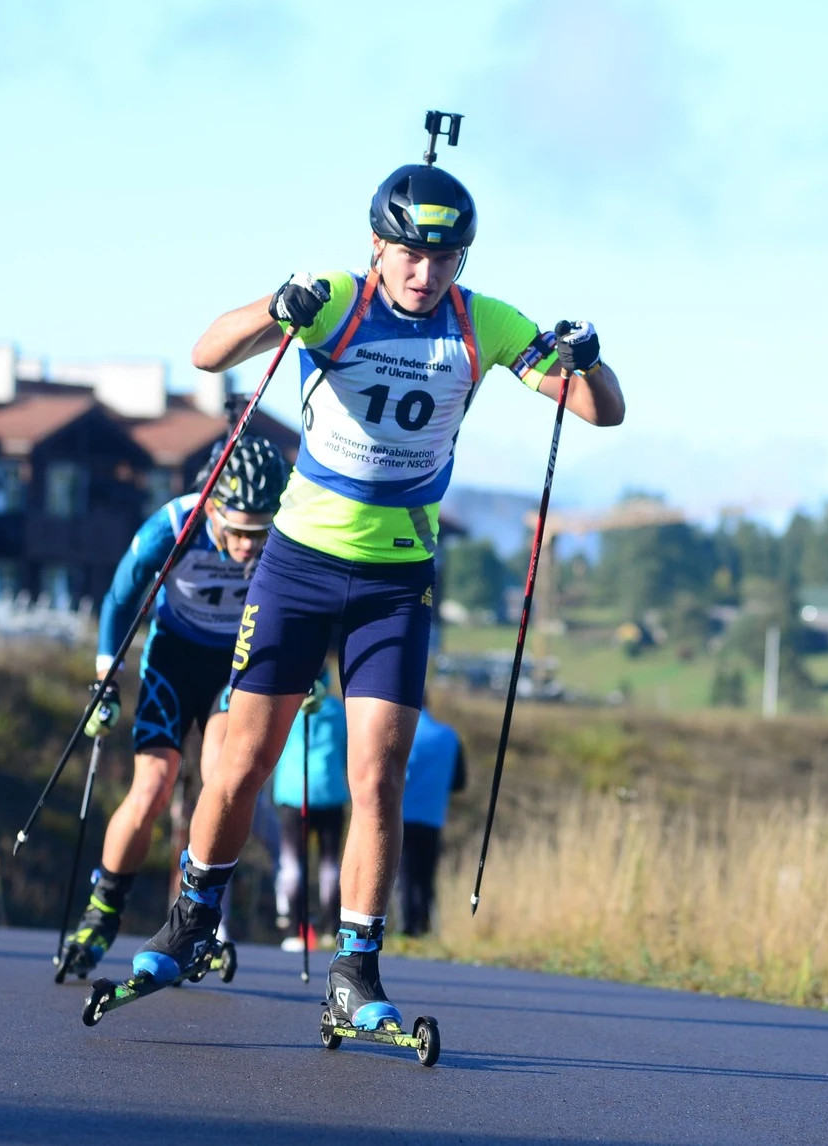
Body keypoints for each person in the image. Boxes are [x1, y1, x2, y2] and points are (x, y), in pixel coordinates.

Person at [131, 153, 624, 1040]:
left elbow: (599, 409)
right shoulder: (335, 298)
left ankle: (355, 969)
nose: (425, 274)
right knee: (241, 759)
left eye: (444, 259)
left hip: (395, 581)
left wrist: (589, 359)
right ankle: (193, 918)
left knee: (378, 773)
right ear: (376, 246)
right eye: (409, 255)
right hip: (297, 566)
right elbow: (207, 353)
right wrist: (275, 308)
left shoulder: (483, 321)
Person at [57, 435, 288, 975]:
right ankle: (100, 914)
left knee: (224, 780)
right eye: (238, 531)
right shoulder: (174, 525)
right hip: (173, 658)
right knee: (153, 788)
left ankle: (198, 918)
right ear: (212, 508)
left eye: (260, 533)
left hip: (236, 663)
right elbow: (120, 597)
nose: (249, 546)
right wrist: (105, 679)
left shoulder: (285, 534)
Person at [272, 671, 349, 950]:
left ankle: (295, 929)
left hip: (294, 793)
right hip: (330, 792)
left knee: (293, 863)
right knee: (330, 864)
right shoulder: (339, 711)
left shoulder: (288, 706)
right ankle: (331, 928)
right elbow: (347, 749)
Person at [399, 704, 467, 937]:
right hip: (433, 817)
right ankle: (425, 926)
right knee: (426, 878)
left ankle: (407, 927)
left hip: (402, 816)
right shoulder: (449, 735)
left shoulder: (400, 731)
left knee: (404, 875)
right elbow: (459, 782)